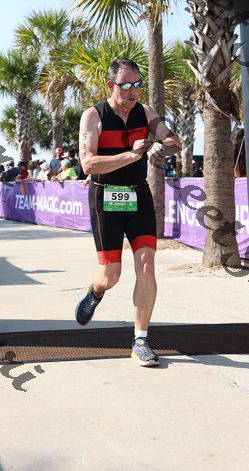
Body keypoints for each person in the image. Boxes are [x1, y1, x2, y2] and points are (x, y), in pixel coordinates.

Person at [75, 58, 182, 367]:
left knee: (146, 265)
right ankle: (95, 292)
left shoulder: (145, 113)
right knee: (110, 275)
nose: (133, 91)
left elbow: (174, 140)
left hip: (138, 194)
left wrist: (162, 146)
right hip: (105, 195)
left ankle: (141, 340)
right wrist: (132, 155)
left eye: (137, 84)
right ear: (111, 85)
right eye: (126, 85)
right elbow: (88, 164)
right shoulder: (93, 116)